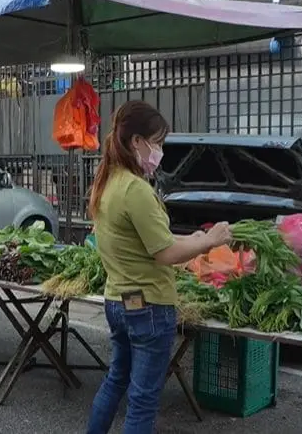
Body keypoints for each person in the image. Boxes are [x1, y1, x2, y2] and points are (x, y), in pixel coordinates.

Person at [85, 101, 232, 434]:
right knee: (143, 401)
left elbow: (148, 240)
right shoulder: (136, 189)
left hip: (118, 300)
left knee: (116, 380)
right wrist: (209, 240)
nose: (160, 151)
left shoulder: (109, 182)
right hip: (148, 306)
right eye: (158, 142)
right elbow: (165, 253)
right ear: (137, 141)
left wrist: (192, 239)